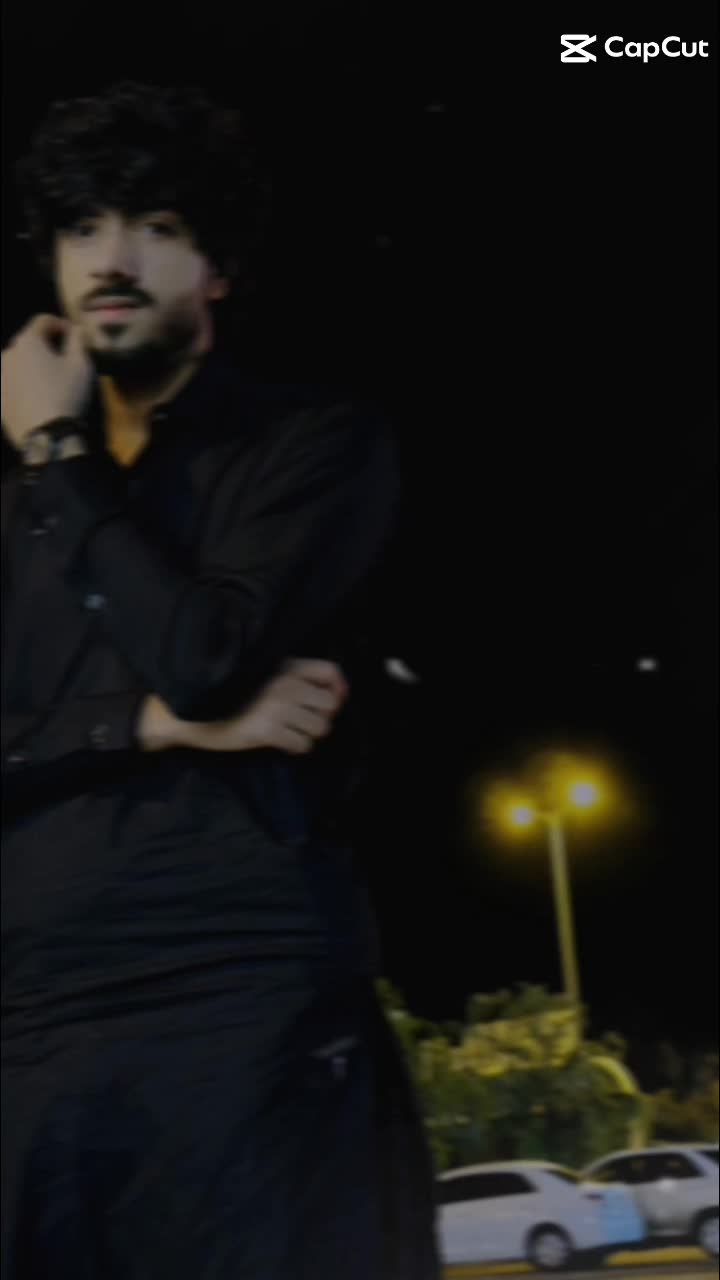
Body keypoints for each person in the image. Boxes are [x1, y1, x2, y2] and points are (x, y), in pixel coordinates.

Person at [1, 81, 442, 1279]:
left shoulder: (312, 445)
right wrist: (140, 724)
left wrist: (55, 447)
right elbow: (183, 700)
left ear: (219, 269)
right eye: (82, 227)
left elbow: (206, 658)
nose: (111, 259)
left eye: (157, 226)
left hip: (243, 1005)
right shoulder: (17, 515)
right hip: (38, 1023)